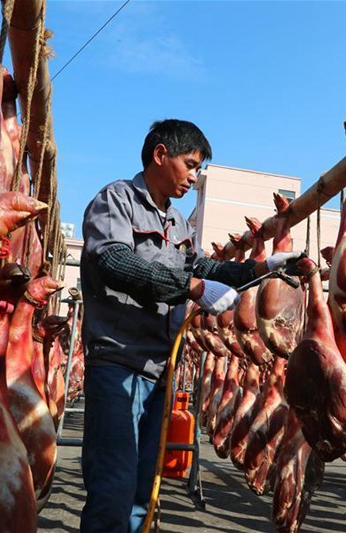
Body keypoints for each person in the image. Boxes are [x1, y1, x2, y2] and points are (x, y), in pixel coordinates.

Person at [79, 119, 300, 533]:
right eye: (191, 165)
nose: (194, 177)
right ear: (161, 155)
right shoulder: (117, 200)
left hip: (161, 370)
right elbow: (112, 260)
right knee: (113, 487)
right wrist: (193, 287)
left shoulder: (178, 223)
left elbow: (207, 267)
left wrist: (262, 266)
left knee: (143, 492)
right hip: (117, 363)